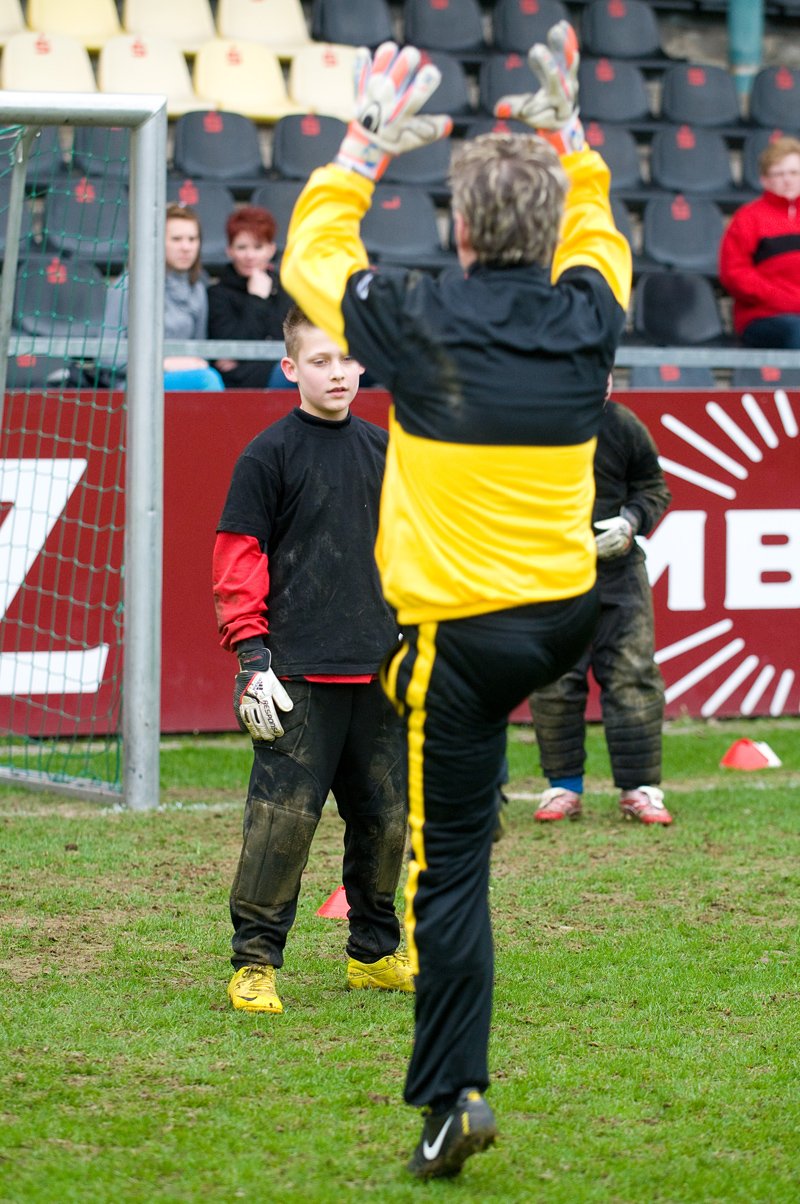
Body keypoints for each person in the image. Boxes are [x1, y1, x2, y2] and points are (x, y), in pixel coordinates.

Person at [280, 23, 631, 1180]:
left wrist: (363, 146)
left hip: (462, 637)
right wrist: (574, 139)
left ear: (463, 231)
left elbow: (311, 257)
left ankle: (452, 1099)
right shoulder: (590, 314)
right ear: (544, 228)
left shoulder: (415, 317)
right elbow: (600, 231)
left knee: (449, 871)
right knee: (465, 806)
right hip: (561, 615)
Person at [212, 304, 413, 1017]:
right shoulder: (267, 455)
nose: (337, 373)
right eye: (320, 361)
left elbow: (410, 556)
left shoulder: (386, 451)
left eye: (346, 359)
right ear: (291, 368)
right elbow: (238, 561)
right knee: (282, 826)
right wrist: (252, 658)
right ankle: (254, 964)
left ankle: (375, 954)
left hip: (380, 673)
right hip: (294, 677)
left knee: (387, 824)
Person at [529, 375, 673, 826]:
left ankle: (640, 790)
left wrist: (631, 521)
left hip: (620, 573)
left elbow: (653, 487)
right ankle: (563, 788)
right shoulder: (524, 427)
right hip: (551, 574)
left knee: (633, 676)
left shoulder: (624, 424)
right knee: (554, 680)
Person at [99, 202, 224, 390]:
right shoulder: (127, 286)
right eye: (176, 239)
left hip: (184, 380)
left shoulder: (197, 289)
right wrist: (163, 364)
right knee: (207, 380)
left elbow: (200, 351)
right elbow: (106, 356)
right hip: (133, 385)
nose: (186, 247)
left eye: (192, 239)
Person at [719, 135, 800, 348]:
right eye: (779, 174)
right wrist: (785, 299)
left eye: (794, 173)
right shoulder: (748, 218)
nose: (788, 180)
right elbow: (735, 274)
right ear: (765, 180)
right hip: (765, 317)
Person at [207, 204, 292, 388]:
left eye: (258, 247)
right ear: (229, 250)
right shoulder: (217, 294)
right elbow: (233, 349)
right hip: (239, 383)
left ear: (271, 250)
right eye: (241, 247)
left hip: (280, 373)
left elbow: (291, 343)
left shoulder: (285, 289)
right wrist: (257, 300)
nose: (250, 255)